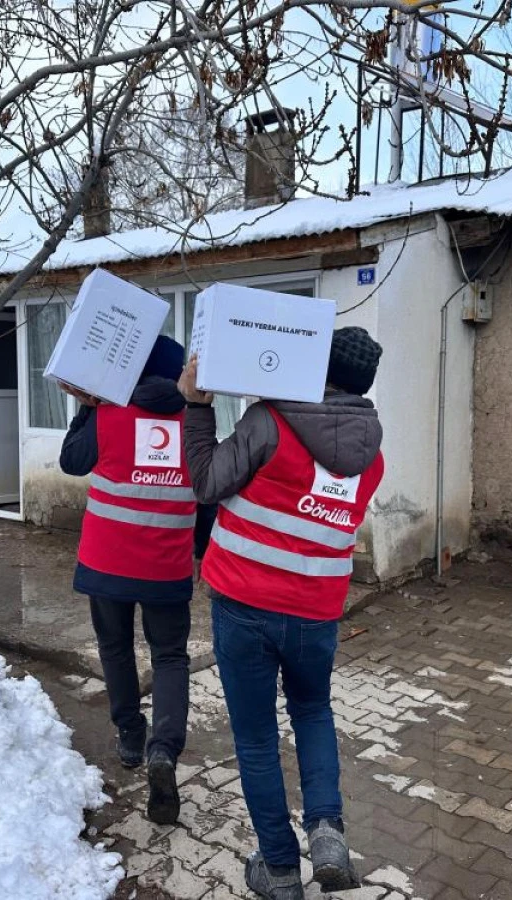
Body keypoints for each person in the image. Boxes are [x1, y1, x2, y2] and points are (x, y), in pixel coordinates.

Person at [179, 326, 385, 900]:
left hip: (245, 606)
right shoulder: (373, 455)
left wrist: (198, 408)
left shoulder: (270, 421)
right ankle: (327, 834)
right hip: (317, 613)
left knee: (256, 739)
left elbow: (204, 483)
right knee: (314, 713)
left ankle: (279, 869)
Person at [59, 334, 212, 826]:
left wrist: (86, 408)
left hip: (107, 563)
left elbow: (71, 461)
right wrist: (204, 552)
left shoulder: (108, 415)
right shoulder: (196, 421)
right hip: (167, 567)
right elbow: (208, 493)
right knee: (170, 657)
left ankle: (129, 735)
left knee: (116, 648)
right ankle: (163, 751)